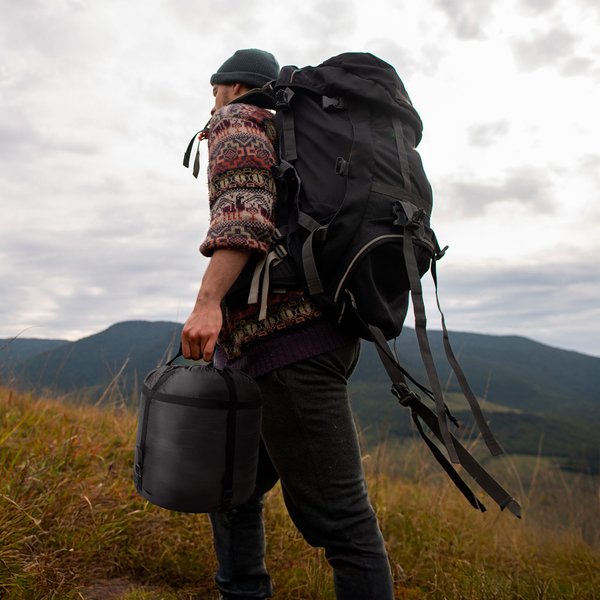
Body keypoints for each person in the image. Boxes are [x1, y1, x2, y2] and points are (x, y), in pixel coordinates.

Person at [181, 49, 394, 600]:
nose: (213, 101)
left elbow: (244, 216)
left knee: (344, 525)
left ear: (233, 86)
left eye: (214, 90)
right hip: (309, 339)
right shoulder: (290, 136)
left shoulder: (238, 121)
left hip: (286, 349)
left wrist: (207, 303)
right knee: (232, 488)